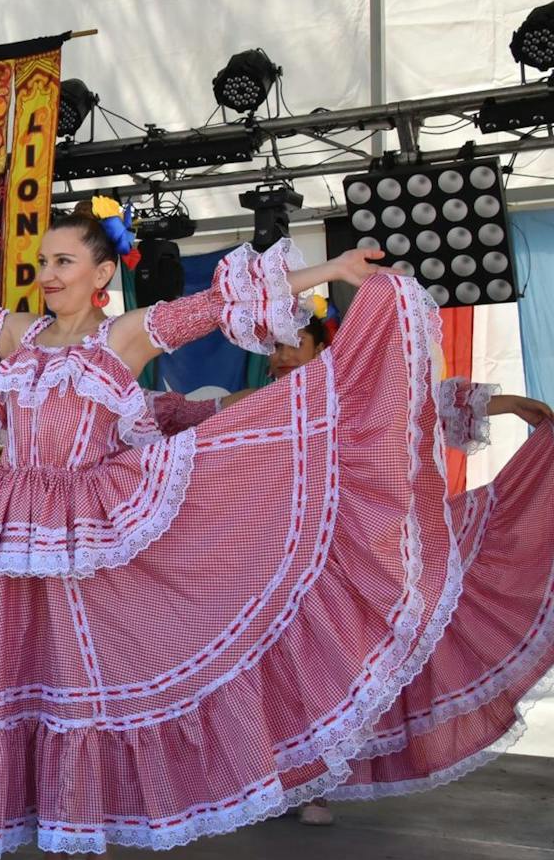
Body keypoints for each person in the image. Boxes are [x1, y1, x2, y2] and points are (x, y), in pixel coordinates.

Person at [0, 201, 551, 860]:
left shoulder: (127, 335)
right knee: (20, 684)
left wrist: (331, 272)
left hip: (94, 533)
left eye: (63, 262)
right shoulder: (18, 337)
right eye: (42, 263)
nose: (47, 275)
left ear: (102, 274)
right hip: (12, 531)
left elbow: (216, 306)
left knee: (85, 695)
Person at [218, 311, 554, 826]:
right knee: (279, 671)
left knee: (332, 670)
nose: (283, 357)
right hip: (274, 558)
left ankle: (315, 787)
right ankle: (279, 782)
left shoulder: (351, 395)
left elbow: (419, 407)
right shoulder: (263, 404)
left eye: (293, 345)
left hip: (345, 557)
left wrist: (507, 403)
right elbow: (202, 419)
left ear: (318, 349)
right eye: (275, 349)